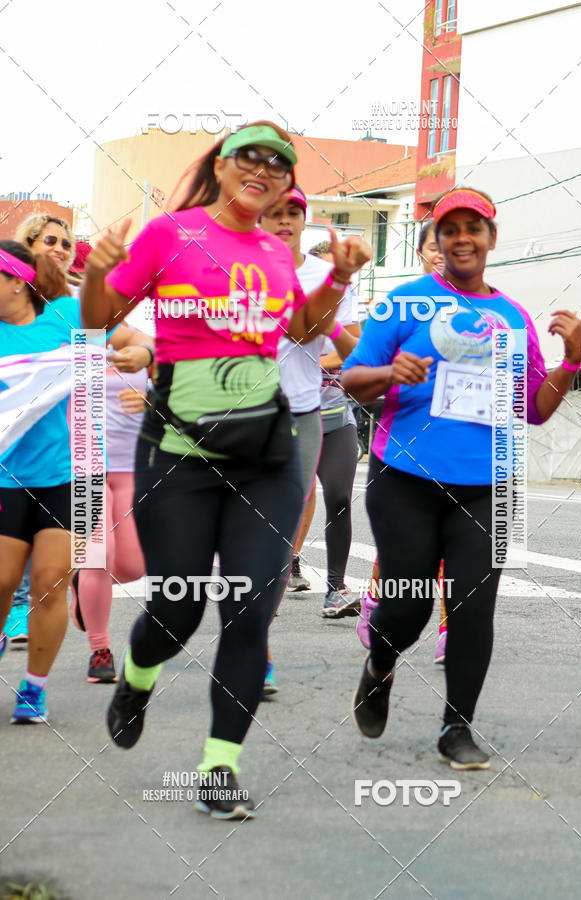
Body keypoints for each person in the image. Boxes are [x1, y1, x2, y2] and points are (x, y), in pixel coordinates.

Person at [80, 121, 371, 818]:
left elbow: (302, 331)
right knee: (177, 605)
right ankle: (138, 674)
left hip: (264, 455)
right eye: (251, 157)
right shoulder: (170, 234)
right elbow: (100, 316)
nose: (264, 170)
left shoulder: (275, 252)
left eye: (279, 164)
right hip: (177, 451)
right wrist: (97, 271)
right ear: (223, 162)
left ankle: (219, 767)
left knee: (249, 612)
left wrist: (338, 277)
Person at [342, 187, 581, 770]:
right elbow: (352, 380)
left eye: (474, 228)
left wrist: (572, 359)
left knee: (474, 607)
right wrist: (387, 370)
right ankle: (379, 666)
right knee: (407, 606)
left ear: (491, 239)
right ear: (438, 242)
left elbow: (535, 409)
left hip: (489, 486)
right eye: (451, 230)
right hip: (405, 478)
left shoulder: (512, 317)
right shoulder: (402, 305)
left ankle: (457, 728)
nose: (463, 239)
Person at [2, 219, 153, 649]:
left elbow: (138, 339)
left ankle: (69, 586)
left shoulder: (76, 311)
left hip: (87, 454)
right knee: (51, 562)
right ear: (26, 249)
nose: (60, 249)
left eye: (67, 243)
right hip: (17, 462)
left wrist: (143, 353)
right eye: (49, 240)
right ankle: (94, 644)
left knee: (121, 564)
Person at [259, 187, 360, 694]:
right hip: (242, 415)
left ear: (305, 219)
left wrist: (335, 294)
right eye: (273, 212)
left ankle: (259, 647)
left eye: (293, 212)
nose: (283, 221)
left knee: (278, 531)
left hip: (305, 413)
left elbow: (345, 344)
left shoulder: (325, 275)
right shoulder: (234, 269)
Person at [356, 221, 450, 664]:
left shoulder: (493, 306)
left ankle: (452, 629)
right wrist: (394, 371)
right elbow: (359, 366)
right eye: (435, 245)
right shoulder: (402, 303)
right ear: (422, 252)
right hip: (406, 449)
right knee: (408, 552)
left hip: (467, 451)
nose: (445, 252)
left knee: (461, 550)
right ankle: (378, 597)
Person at [0, 241, 82, 721]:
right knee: (4, 579)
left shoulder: (67, 317)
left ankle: (34, 687)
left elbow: (125, 339)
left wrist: (142, 351)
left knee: (51, 580)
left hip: (66, 473)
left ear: (16, 280)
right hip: (4, 477)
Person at [289, 241, 362, 618]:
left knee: (339, 497)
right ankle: (281, 568)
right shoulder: (289, 298)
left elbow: (357, 350)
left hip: (336, 419)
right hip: (291, 421)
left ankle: (336, 589)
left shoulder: (345, 306)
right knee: (289, 501)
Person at [70, 355, 149, 683]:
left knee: (133, 566)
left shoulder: (148, 341)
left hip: (132, 466)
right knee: (98, 556)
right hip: (83, 468)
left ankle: (82, 585)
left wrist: (154, 401)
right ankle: (100, 649)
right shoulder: (74, 335)